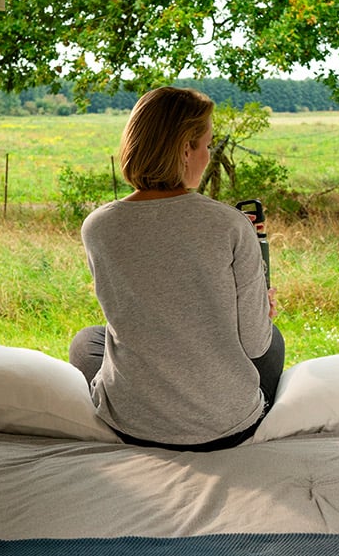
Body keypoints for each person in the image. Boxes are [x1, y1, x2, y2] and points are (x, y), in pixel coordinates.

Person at [68, 86, 283, 451]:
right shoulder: (231, 225)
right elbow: (254, 343)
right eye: (207, 145)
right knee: (272, 341)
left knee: (87, 342)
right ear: (186, 149)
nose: (209, 155)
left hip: (132, 424)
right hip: (227, 426)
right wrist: (260, 310)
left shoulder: (97, 227)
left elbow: (130, 316)